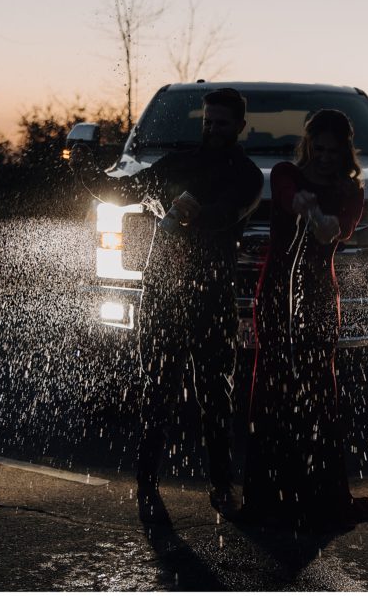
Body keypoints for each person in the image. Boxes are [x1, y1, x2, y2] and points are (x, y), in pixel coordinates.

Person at [79, 88, 263, 523]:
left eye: (222, 123)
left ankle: (222, 485)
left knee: (215, 394)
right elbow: (119, 191)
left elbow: (227, 214)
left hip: (212, 296)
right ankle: (146, 483)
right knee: (157, 388)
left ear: (240, 127)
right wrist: (82, 162)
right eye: (208, 121)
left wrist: (189, 211)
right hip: (161, 292)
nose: (212, 128)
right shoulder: (176, 162)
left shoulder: (248, 175)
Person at [240, 109, 368, 531]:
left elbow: (343, 228)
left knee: (318, 388)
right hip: (275, 293)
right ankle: (266, 492)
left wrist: (329, 224)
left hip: (319, 296)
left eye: (334, 151)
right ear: (309, 145)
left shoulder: (352, 190)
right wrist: (302, 203)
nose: (327, 157)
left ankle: (317, 492)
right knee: (271, 384)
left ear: (345, 150)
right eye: (320, 148)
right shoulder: (285, 173)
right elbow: (285, 194)